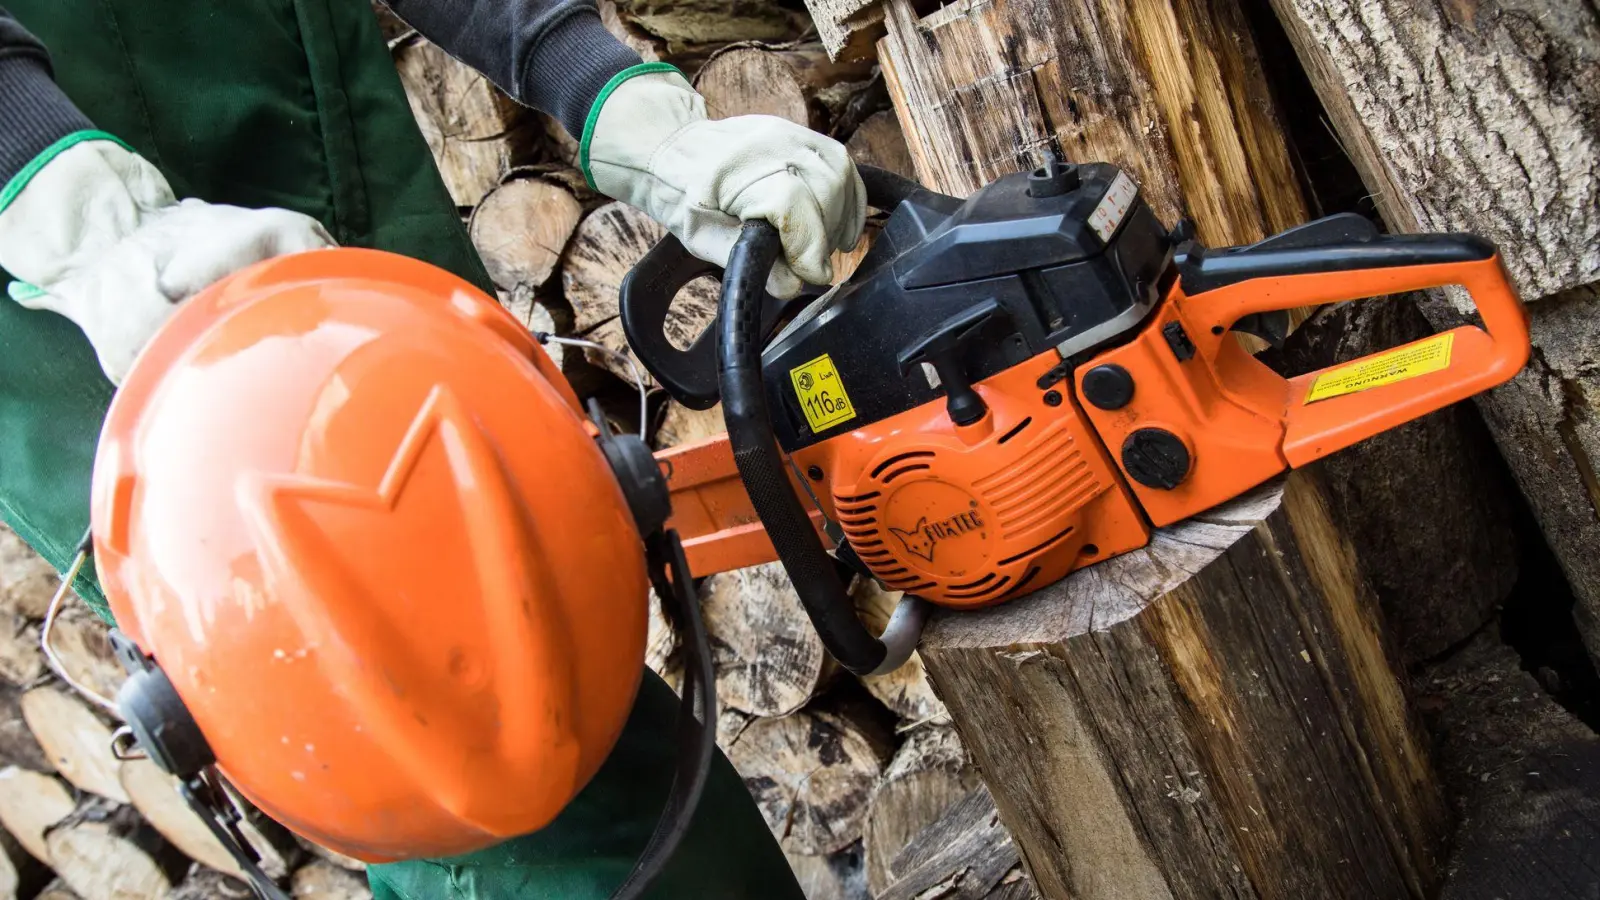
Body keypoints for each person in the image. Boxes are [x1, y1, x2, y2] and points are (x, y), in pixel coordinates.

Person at [0, 1, 865, 897]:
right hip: (68, 288)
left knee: (573, 694)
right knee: (458, 754)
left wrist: (612, 95)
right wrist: (73, 213)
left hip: (297, 98)